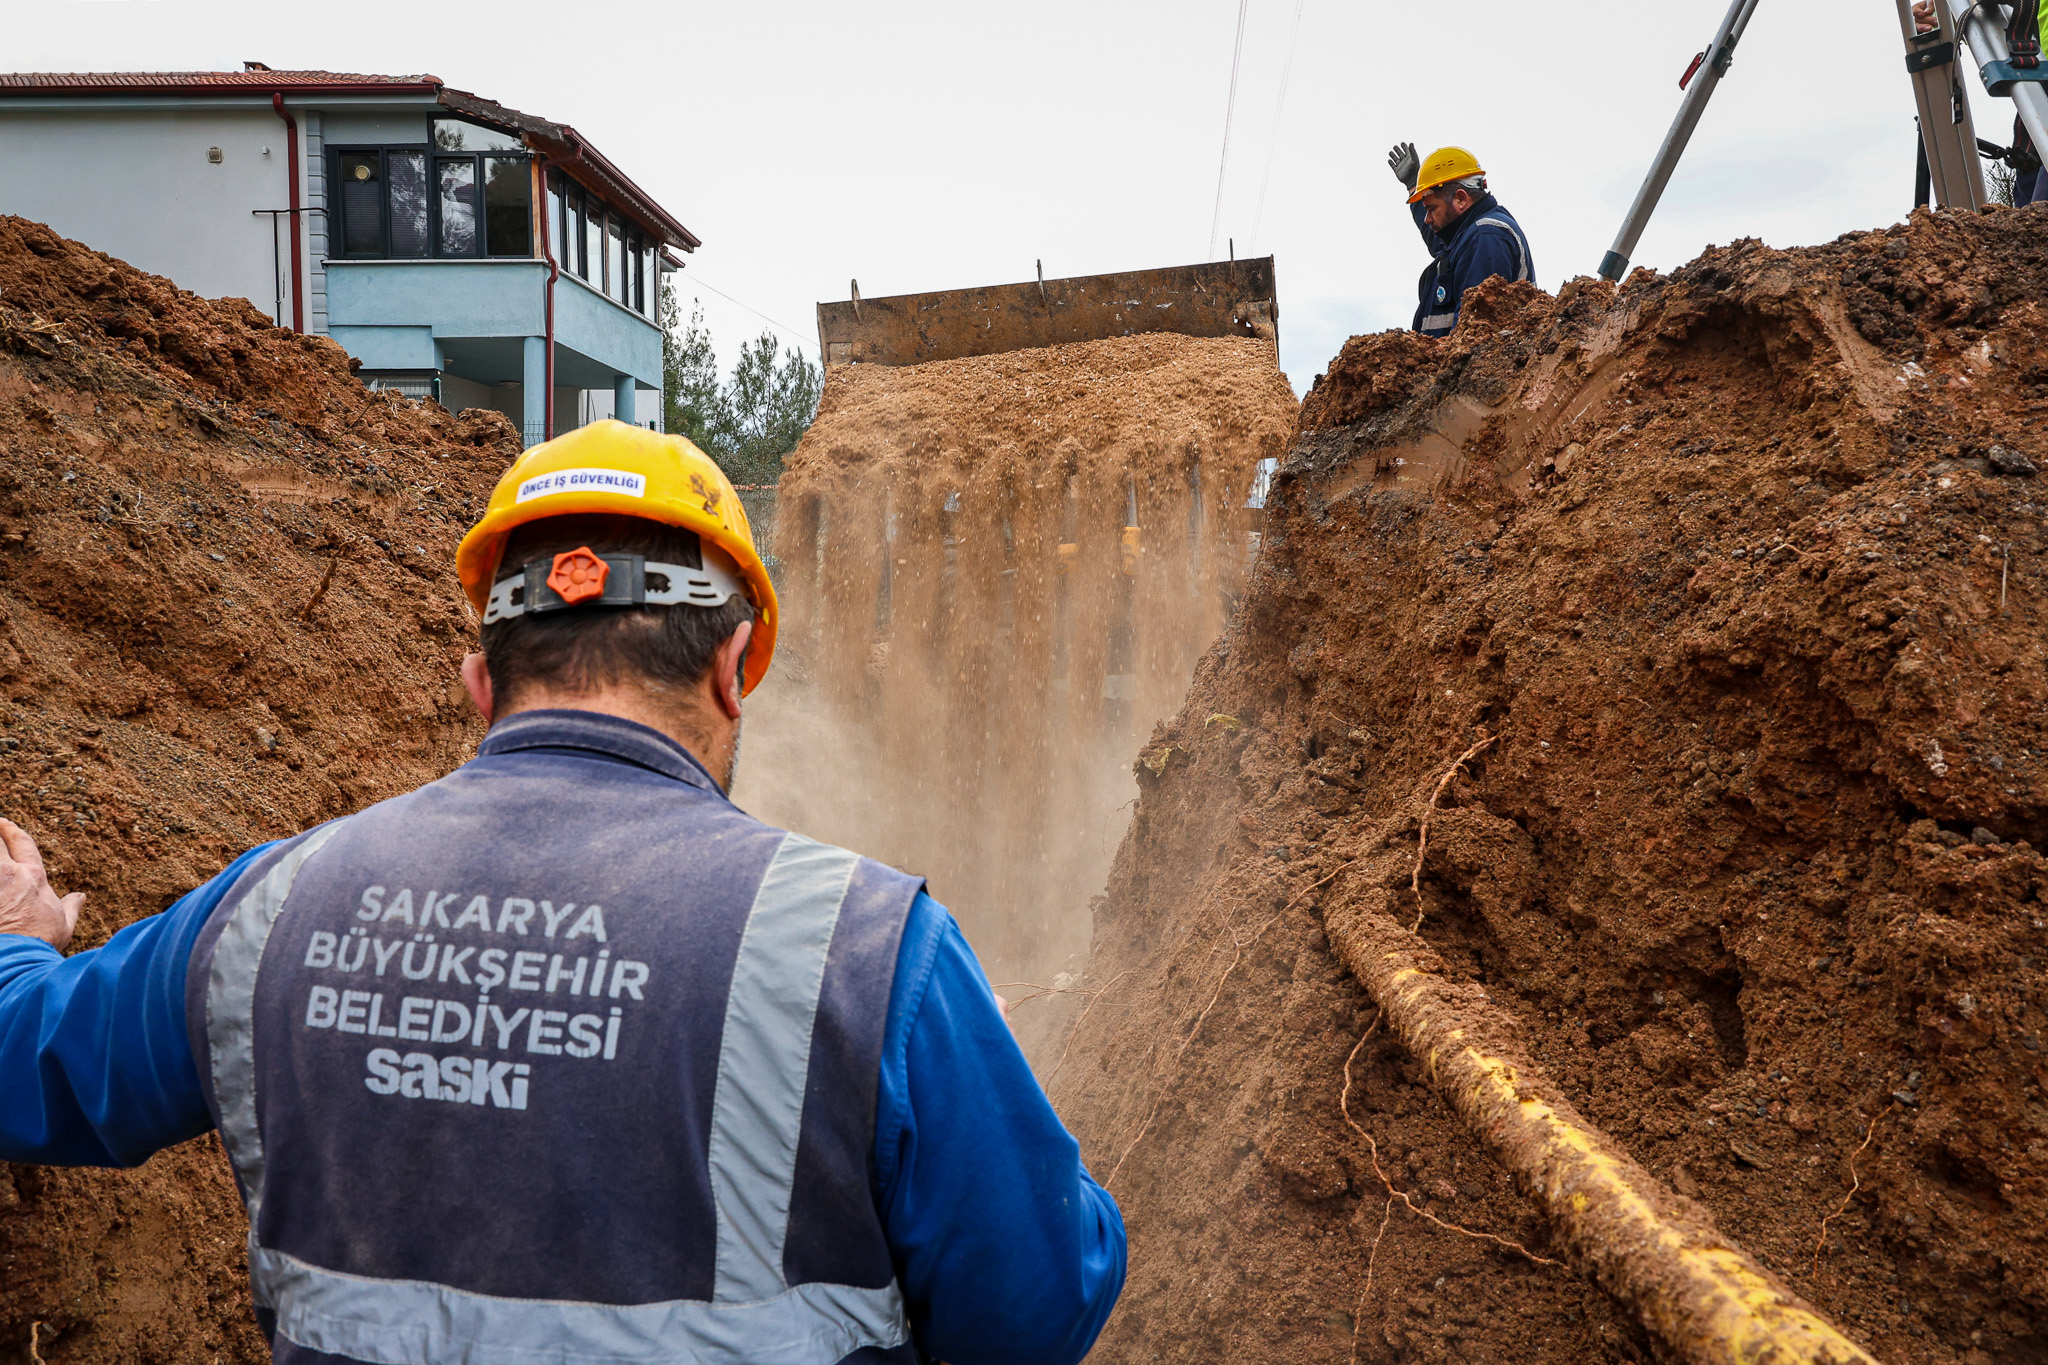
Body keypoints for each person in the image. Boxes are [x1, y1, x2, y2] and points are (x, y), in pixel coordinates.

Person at [0, 420, 1126, 1365]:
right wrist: (991, 1106)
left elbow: (29, 1067)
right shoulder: (872, 952)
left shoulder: (270, 906)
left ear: (480, 681)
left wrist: (17, 937)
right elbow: (1035, 1313)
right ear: (732, 667)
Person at [1386, 142, 1535, 337]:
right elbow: (1440, 241)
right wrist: (1414, 185)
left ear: (1461, 199)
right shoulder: (1467, 235)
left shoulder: (1486, 237)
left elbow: (1474, 333)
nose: (1427, 219)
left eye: (1431, 209)